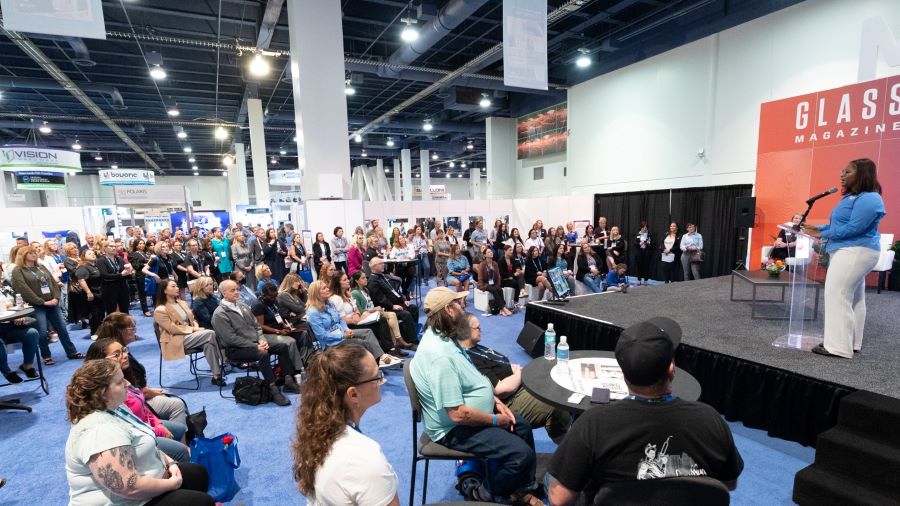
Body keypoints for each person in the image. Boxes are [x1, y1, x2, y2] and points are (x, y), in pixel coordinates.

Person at [546, 317, 744, 505]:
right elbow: (728, 483)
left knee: (551, 479)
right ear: (671, 369)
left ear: (623, 375)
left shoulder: (593, 424)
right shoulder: (710, 420)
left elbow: (559, 499)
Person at [410, 287, 540, 504]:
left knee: (523, 427)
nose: (464, 307)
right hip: (452, 429)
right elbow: (457, 415)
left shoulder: (444, 337)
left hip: (466, 415)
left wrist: (496, 402)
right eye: (459, 304)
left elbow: (471, 380)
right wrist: (496, 420)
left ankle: (518, 488)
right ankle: (486, 491)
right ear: (448, 310)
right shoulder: (440, 356)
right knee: (521, 455)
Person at [64, 360, 214, 505]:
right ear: (102, 393)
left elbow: (147, 441)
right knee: (202, 502)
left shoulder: (116, 407)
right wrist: (170, 484)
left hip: (148, 480)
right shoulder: (99, 431)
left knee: (198, 474)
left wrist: (171, 463)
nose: (128, 384)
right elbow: (130, 488)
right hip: (126, 500)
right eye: (120, 382)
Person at [292, 344, 400, 505]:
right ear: (353, 394)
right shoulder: (365, 458)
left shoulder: (315, 430)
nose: (381, 380)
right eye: (377, 376)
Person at [802, 158, 886, 359]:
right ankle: (851, 343)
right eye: (842, 171)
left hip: (855, 251)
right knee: (854, 298)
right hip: (851, 250)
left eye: (847, 172)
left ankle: (838, 347)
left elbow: (855, 228)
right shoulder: (853, 197)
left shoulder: (870, 198)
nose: (841, 175)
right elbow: (843, 225)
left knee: (837, 294)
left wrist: (823, 234)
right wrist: (818, 229)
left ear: (862, 174)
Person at [458, 313, 569, 443]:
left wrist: (513, 373)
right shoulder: (471, 359)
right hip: (508, 402)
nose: (481, 329)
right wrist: (518, 374)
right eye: (477, 327)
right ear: (466, 332)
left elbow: (503, 366)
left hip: (517, 387)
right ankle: (568, 452)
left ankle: (570, 431)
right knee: (554, 404)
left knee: (553, 381)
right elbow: (501, 390)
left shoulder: (476, 347)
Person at [84, 339, 191, 463]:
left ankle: (179, 464)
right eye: (117, 354)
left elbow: (144, 407)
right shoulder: (109, 391)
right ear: (101, 361)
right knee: (180, 450)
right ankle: (178, 469)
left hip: (145, 424)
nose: (124, 356)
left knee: (180, 428)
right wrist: (156, 430)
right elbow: (128, 425)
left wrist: (157, 423)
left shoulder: (124, 376)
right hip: (137, 436)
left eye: (124, 350)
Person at [212, 280, 299, 406]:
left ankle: (288, 381)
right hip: (235, 350)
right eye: (232, 290)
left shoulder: (243, 306)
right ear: (223, 293)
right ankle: (273, 389)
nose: (237, 292)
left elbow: (257, 327)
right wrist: (256, 345)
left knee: (282, 346)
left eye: (237, 289)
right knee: (263, 354)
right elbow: (230, 339)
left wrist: (262, 340)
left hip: (255, 343)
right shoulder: (219, 314)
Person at [97, 312, 187, 425]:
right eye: (132, 327)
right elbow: (130, 391)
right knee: (177, 404)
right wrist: (148, 392)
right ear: (120, 331)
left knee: (168, 396)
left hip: (135, 394)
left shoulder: (119, 351)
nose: (135, 330)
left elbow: (133, 385)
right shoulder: (116, 360)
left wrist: (148, 390)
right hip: (128, 403)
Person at [11, 245, 83, 364]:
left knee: (62, 329)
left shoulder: (41, 267)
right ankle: (46, 356)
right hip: (36, 305)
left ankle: (72, 352)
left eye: (34, 252)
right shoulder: (18, 270)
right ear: (23, 256)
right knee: (42, 332)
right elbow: (23, 289)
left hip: (52, 302)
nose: (34, 254)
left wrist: (56, 297)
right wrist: (42, 301)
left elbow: (53, 283)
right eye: (30, 253)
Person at [305, 280, 401, 368]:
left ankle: (378, 363)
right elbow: (322, 336)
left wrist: (346, 330)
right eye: (324, 288)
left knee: (367, 332)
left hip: (342, 333)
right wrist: (342, 335)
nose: (328, 289)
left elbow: (340, 320)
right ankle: (373, 368)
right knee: (362, 343)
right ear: (317, 293)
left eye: (327, 287)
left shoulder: (329, 304)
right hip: (330, 343)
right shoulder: (313, 312)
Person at [153, 280, 225, 387]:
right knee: (210, 333)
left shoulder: (182, 303)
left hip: (190, 335)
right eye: (173, 286)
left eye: (177, 285)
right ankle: (226, 360)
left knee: (208, 343)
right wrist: (194, 329)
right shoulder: (160, 310)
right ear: (164, 291)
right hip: (175, 339)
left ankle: (216, 375)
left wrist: (195, 325)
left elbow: (192, 318)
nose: (177, 288)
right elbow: (172, 329)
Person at [252, 283, 316, 373]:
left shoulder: (274, 302)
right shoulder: (258, 305)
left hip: (279, 329)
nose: (274, 299)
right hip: (266, 334)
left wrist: (285, 325)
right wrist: (278, 331)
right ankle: (298, 369)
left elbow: (278, 316)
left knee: (304, 334)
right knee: (291, 342)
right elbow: (260, 326)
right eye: (271, 297)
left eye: (275, 296)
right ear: (264, 295)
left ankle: (307, 362)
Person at [350, 270, 413, 351]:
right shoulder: (355, 293)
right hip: (367, 316)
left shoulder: (366, 290)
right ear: (357, 281)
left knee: (392, 315)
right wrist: (374, 310)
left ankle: (397, 342)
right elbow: (361, 311)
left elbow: (371, 303)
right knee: (388, 318)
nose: (366, 279)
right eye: (363, 278)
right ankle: (396, 343)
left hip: (374, 313)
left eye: (365, 277)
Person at [368, 257, 420, 344]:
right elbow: (379, 299)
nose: (383, 264)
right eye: (380, 263)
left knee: (413, 308)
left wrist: (403, 300)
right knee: (405, 314)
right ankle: (412, 340)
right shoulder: (373, 281)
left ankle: (413, 333)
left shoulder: (382, 276)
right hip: (386, 307)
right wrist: (392, 306)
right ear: (374, 266)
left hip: (396, 302)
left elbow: (394, 291)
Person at [97, 241, 134, 315]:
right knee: (111, 311)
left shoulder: (119, 259)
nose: (114, 248)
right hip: (109, 288)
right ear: (105, 248)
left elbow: (124, 273)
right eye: (111, 246)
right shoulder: (101, 260)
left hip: (122, 287)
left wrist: (130, 273)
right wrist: (121, 275)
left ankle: (125, 325)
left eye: (114, 246)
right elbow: (105, 275)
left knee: (125, 309)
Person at [0, 316, 39, 384]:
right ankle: (7, 372)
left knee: (32, 333)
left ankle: (27, 366)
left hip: (12, 326)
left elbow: (18, 306)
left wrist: (19, 316)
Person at [76, 250, 106, 337]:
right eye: (89, 253)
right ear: (84, 257)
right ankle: (94, 332)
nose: (92, 254)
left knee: (101, 313)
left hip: (100, 293)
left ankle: (101, 331)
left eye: (93, 253)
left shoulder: (96, 266)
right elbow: (81, 280)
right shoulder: (83, 267)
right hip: (91, 294)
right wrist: (88, 292)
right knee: (94, 314)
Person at [477, 248, 513, 316]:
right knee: (494, 290)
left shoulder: (495, 263)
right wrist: (482, 286)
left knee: (500, 289)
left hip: (493, 283)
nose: (491, 253)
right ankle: (503, 308)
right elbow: (480, 277)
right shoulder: (482, 264)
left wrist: (498, 284)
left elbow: (498, 276)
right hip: (485, 284)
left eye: (491, 251)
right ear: (485, 255)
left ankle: (501, 309)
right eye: (489, 252)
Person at [129, 239, 153, 317]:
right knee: (142, 293)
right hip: (141, 275)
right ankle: (145, 310)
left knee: (152, 291)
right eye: (140, 243)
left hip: (149, 274)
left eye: (143, 243)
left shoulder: (146, 253)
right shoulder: (133, 254)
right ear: (136, 245)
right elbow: (136, 266)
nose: (142, 245)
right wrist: (147, 263)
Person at [634, 221, 653, 286]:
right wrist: (640, 243)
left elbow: (652, 243)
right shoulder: (638, 234)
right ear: (641, 228)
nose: (645, 229)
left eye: (646, 228)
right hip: (639, 251)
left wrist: (648, 243)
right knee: (639, 266)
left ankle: (645, 280)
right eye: (643, 228)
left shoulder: (649, 234)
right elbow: (635, 243)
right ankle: (639, 280)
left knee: (646, 266)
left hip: (647, 251)